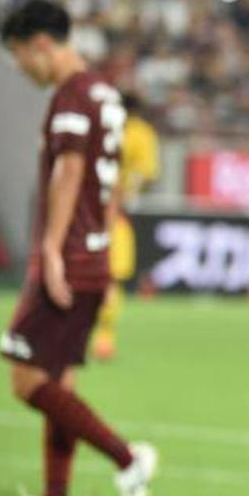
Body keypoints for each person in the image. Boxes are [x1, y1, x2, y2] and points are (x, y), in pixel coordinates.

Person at [0, 0, 158, 496]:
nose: (20, 68)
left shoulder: (71, 97)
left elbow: (69, 173)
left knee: (24, 376)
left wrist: (50, 250)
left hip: (67, 255)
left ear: (41, 44)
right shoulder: (104, 94)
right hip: (92, 252)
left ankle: (127, 459)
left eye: (20, 55)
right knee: (58, 380)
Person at [91, 92, 159, 361]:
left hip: (88, 213)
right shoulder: (141, 133)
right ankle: (104, 338)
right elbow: (147, 174)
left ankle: (80, 333)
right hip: (116, 216)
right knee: (111, 279)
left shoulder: (100, 127)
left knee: (89, 276)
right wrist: (129, 189)